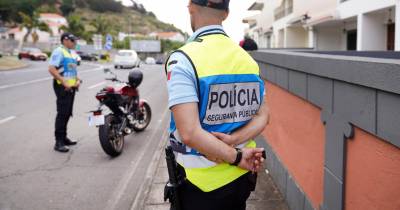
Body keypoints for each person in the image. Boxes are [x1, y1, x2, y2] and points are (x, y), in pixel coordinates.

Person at [164, 0, 269, 209]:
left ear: (190, 7)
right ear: (226, 13)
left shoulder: (183, 60)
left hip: (199, 184)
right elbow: (263, 116)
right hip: (242, 180)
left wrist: (236, 157)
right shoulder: (247, 60)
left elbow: (189, 133)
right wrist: (234, 141)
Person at [48, 32, 81, 153]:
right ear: (65, 40)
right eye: (73, 41)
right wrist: (63, 82)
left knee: (67, 113)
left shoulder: (70, 53)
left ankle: (64, 138)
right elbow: (51, 69)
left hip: (71, 87)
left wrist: (77, 80)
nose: (75, 43)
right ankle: (58, 142)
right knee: (62, 113)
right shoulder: (59, 51)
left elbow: (71, 70)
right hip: (62, 87)